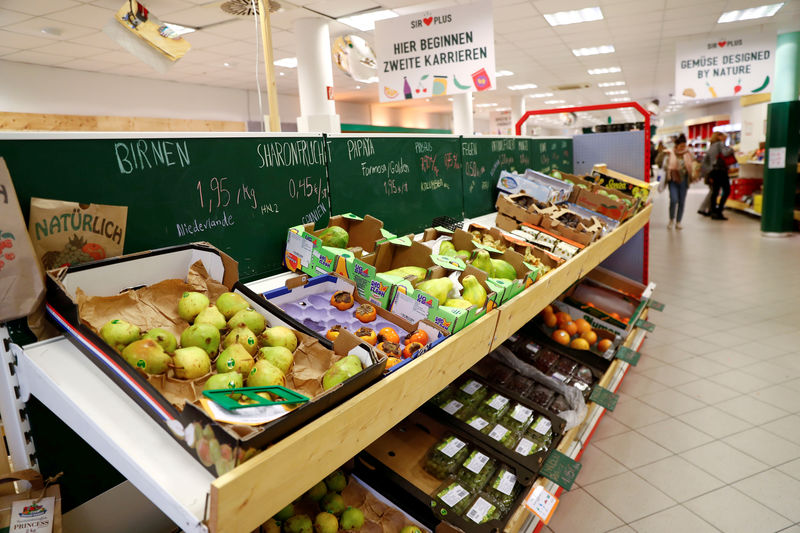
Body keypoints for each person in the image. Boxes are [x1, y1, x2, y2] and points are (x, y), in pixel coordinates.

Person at [661, 134, 695, 229]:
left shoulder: (688, 153)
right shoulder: (670, 153)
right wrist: (666, 160)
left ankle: (678, 221)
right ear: (676, 145)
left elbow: (693, 165)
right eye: (681, 146)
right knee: (673, 200)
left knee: (681, 202)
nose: (683, 147)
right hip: (673, 180)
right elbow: (663, 166)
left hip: (684, 180)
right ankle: (671, 219)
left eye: (684, 145)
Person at [703, 132, 735, 220]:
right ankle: (719, 210)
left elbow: (706, 160)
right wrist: (732, 149)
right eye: (724, 137)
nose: (725, 139)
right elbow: (725, 153)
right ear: (719, 137)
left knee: (715, 192)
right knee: (727, 190)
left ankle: (713, 211)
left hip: (713, 171)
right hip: (721, 171)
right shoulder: (720, 144)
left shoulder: (711, 146)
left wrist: (708, 172)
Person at [697, 132, 725, 216]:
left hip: (710, 171)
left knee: (713, 191)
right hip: (713, 172)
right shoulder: (718, 146)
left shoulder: (712, 146)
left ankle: (709, 209)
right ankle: (704, 208)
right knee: (713, 191)